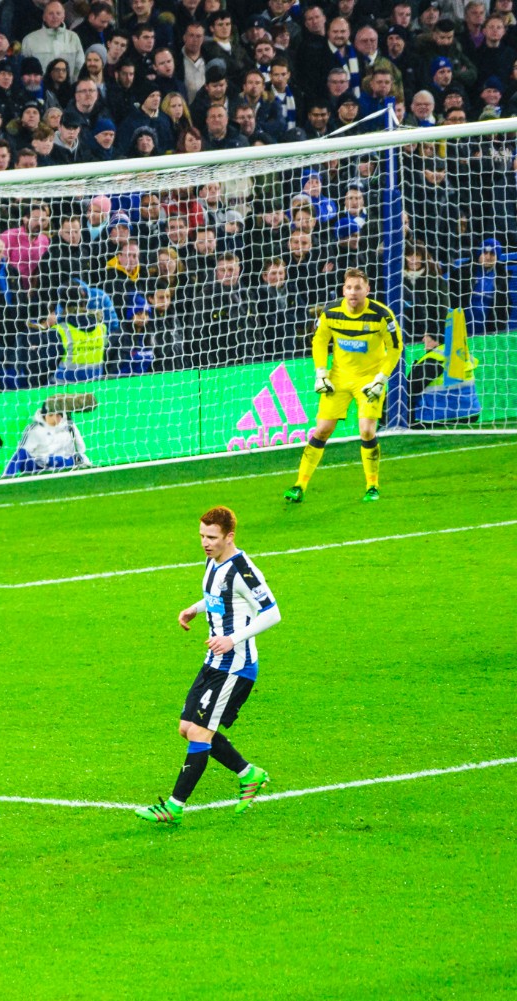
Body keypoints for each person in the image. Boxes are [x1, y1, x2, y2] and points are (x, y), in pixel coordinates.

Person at [137, 506, 278, 826]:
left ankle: (174, 807)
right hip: (213, 661)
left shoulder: (243, 570)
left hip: (235, 666)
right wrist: (195, 609)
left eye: (212, 537)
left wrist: (233, 638)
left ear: (229, 537)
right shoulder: (212, 560)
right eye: (202, 536)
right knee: (186, 728)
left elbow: (272, 612)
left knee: (200, 733)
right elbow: (219, 597)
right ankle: (249, 774)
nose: (205, 542)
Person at [292, 266, 400, 504]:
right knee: (322, 429)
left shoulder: (382, 315)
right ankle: (299, 485)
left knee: (367, 431)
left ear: (367, 289)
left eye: (358, 288)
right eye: (349, 287)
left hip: (369, 379)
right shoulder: (331, 312)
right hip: (339, 377)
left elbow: (395, 348)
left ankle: (372, 486)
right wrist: (321, 373)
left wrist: (381, 379)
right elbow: (319, 341)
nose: (353, 292)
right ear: (343, 290)